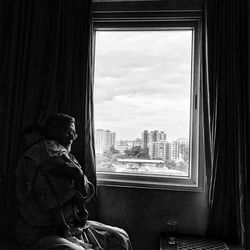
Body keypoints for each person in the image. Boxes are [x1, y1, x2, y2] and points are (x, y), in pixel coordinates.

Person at [15, 114, 133, 250]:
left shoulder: (68, 157)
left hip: (72, 227)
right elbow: (48, 201)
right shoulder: (37, 157)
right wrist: (74, 187)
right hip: (42, 232)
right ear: (53, 132)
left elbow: (87, 193)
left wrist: (77, 175)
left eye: (74, 132)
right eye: (69, 132)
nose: (73, 137)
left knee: (120, 237)